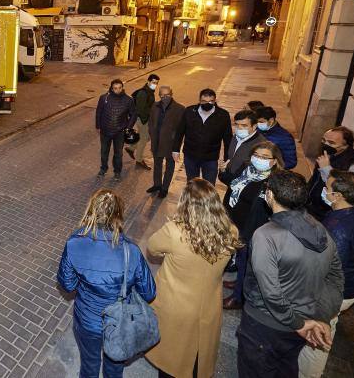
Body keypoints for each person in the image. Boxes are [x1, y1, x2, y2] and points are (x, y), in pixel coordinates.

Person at [238, 170, 344, 378]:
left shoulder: (266, 235)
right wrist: (319, 316)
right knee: (285, 368)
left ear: (269, 195)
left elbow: (270, 292)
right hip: (301, 324)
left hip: (265, 324)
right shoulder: (320, 229)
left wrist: (298, 323)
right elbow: (336, 279)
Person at [145, 179, 240, 378]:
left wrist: (168, 254)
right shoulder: (231, 231)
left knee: (171, 358)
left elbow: (152, 247)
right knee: (199, 355)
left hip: (175, 307)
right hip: (208, 306)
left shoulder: (174, 231)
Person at [57, 189, 157, 378]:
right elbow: (149, 293)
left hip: (87, 321)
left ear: (91, 211)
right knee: (114, 368)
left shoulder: (74, 243)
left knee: (89, 365)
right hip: (119, 324)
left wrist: (89, 283)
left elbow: (67, 285)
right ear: (118, 215)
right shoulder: (131, 251)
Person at [298, 171, 354, 377]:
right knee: (325, 330)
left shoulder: (337, 228)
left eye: (327, 188)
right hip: (347, 289)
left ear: (338, 196)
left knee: (316, 340)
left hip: (331, 293)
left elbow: (325, 267)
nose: (324, 190)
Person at [222, 142, 284, 310]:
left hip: (253, 229)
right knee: (240, 259)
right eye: (256, 155)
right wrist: (224, 173)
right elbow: (234, 184)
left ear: (275, 161)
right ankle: (237, 283)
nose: (259, 159)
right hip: (235, 221)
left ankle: (238, 298)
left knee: (245, 262)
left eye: (264, 157)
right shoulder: (246, 167)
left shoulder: (274, 182)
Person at [307, 126, 354, 220]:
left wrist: (326, 168)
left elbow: (344, 192)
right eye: (324, 140)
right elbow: (315, 180)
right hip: (313, 208)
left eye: (331, 143)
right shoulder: (327, 155)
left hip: (330, 215)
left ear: (346, 146)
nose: (325, 144)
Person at [174, 88, 232, 184]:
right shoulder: (189, 111)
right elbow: (180, 131)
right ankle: (192, 199)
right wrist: (175, 150)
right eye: (204, 101)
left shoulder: (223, 115)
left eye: (211, 101)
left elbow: (227, 138)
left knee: (209, 185)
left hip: (211, 158)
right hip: (190, 155)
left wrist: (227, 158)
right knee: (192, 184)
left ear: (215, 100)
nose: (207, 104)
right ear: (199, 100)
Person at [147, 86, 185, 199]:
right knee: (157, 165)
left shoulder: (179, 109)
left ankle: (164, 188)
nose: (164, 97)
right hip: (157, 142)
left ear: (172, 94)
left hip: (170, 144)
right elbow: (151, 121)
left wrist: (176, 144)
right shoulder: (155, 106)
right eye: (162, 95)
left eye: (167, 95)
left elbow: (181, 129)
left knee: (170, 166)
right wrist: (152, 134)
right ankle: (157, 184)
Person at [95, 79, 135, 181]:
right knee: (104, 152)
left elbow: (133, 115)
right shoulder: (104, 98)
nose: (117, 90)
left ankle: (117, 172)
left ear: (122, 88)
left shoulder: (128, 100)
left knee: (118, 154)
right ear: (111, 89)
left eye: (119, 88)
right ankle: (103, 169)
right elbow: (99, 112)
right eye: (115, 88)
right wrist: (98, 126)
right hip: (105, 131)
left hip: (119, 133)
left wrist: (128, 128)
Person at [219, 110, 265, 185]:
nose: (239, 128)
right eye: (237, 125)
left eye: (244, 125)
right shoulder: (236, 137)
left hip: (245, 186)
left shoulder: (261, 145)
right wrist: (223, 171)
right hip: (231, 181)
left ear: (254, 126)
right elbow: (230, 158)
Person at [125, 73, 160, 170]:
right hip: (143, 119)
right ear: (148, 81)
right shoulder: (143, 93)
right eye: (153, 82)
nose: (155, 84)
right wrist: (148, 118)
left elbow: (148, 105)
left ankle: (131, 148)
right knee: (144, 139)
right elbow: (140, 110)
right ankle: (139, 160)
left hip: (145, 118)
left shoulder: (150, 91)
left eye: (156, 83)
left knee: (145, 137)